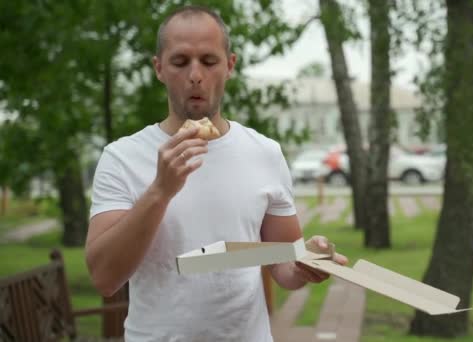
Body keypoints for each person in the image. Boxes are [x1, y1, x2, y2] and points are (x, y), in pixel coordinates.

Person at [85, 5, 347, 341]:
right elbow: (105, 278)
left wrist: (305, 263)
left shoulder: (264, 152)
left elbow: (282, 264)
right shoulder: (122, 157)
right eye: (180, 62)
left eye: (209, 61)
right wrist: (160, 191)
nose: (195, 74)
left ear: (230, 65)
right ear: (159, 68)